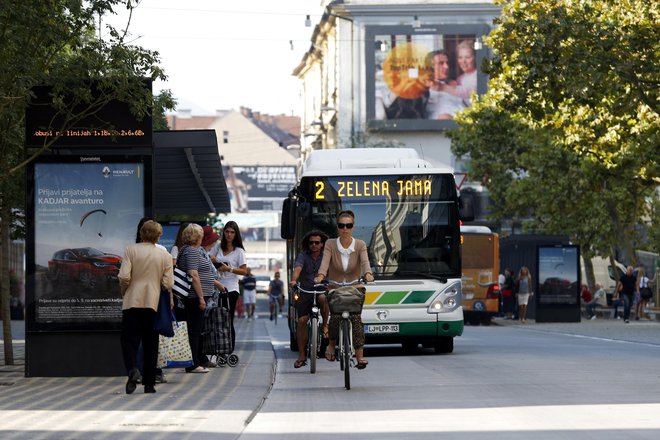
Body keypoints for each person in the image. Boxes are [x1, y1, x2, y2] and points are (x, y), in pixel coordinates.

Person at [314, 210, 374, 369]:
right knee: (334, 317)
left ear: (353, 227)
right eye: (341, 226)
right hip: (335, 288)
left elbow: (365, 262)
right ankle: (332, 345)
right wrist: (320, 275)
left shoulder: (360, 244)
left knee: (356, 319)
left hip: (355, 288)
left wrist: (368, 274)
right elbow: (325, 263)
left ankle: (360, 357)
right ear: (337, 227)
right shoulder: (330, 244)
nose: (345, 229)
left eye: (348, 225)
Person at [118, 220, 173, 394]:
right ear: (158, 236)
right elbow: (168, 283)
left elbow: (124, 276)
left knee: (128, 340)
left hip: (132, 301)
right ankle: (149, 384)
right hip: (153, 303)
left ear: (141, 233)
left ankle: (133, 369)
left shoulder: (130, 250)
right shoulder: (165, 255)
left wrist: (125, 291)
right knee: (151, 342)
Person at [177, 223, 226, 372]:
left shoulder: (186, 250)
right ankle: (193, 364)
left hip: (195, 296)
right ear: (196, 237)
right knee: (194, 330)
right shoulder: (191, 251)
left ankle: (194, 361)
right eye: (201, 235)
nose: (203, 238)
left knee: (195, 329)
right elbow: (194, 274)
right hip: (194, 297)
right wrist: (201, 298)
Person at [289, 230, 330, 368]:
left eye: (317, 242)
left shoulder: (326, 256)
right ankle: (302, 355)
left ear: (322, 244)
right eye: (311, 242)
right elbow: (297, 268)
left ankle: (324, 325)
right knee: (301, 321)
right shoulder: (302, 255)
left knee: (324, 298)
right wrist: (294, 280)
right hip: (306, 291)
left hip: (322, 289)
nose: (314, 245)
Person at [208, 221, 247, 351]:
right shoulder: (218, 247)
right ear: (223, 233)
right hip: (216, 287)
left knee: (227, 319)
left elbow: (244, 271)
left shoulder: (239, 251)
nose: (229, 235)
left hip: (231, 288)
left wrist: (229, 269)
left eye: (232, 232)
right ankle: (218, 346)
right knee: (215, 319)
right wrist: (212, 259)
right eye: (227, 232)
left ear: (236, 234)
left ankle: (229, 348)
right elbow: (207, 257)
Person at [424, 50, 466, 120]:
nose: (446, 67)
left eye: (447, 63)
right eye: (441, 63)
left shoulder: (455, 85)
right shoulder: (425, 89)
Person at [436, 40, 477, 105]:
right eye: (460, 57)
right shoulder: (460, 78)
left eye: (467, 57)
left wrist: (442, 87)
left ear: (475, 58)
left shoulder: (479, 76)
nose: (463, 61)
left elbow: (466, 92)